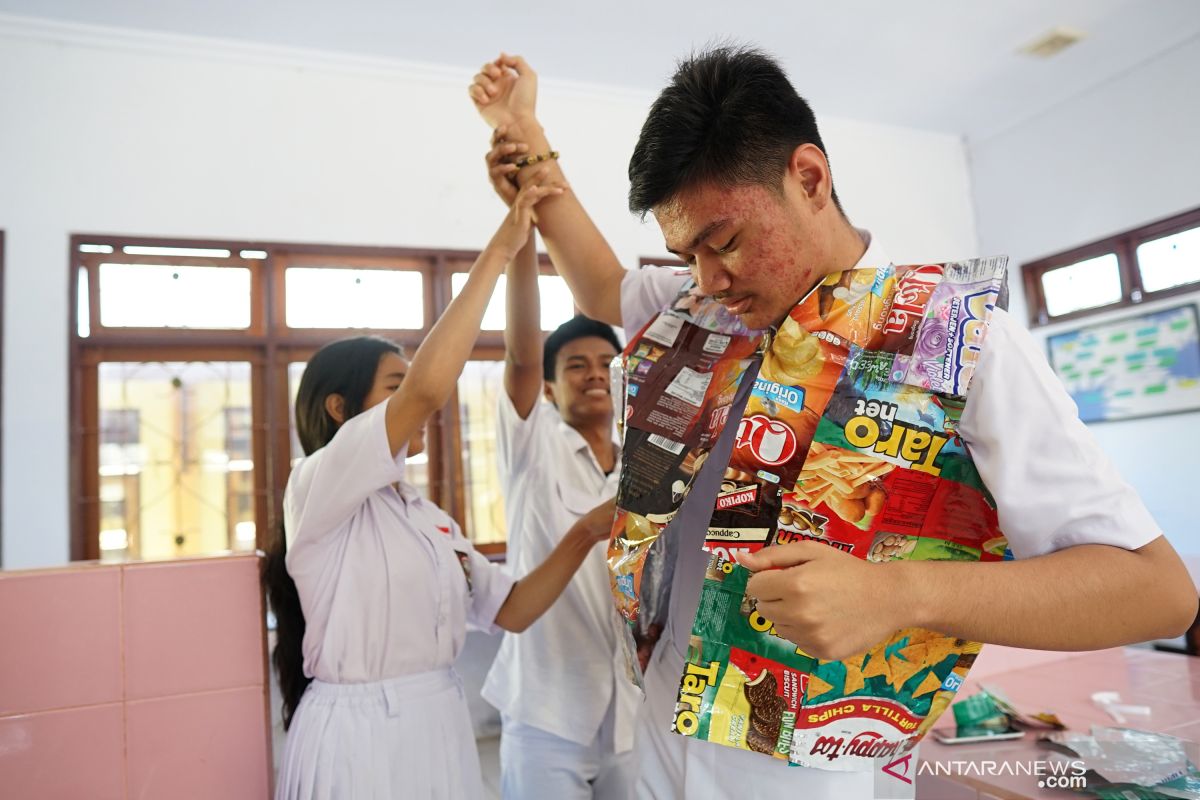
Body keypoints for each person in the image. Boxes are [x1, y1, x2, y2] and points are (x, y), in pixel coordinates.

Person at [469, 47, 1200, 798]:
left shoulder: (953, 338)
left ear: (809, 178)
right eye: (685, 255)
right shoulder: (701, 307)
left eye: (724, 243)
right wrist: (523, 133)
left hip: (813, 767)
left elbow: (1157, 591)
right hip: (658, 723)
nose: (706, 278)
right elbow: (597, 281)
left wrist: (900, 594)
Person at [261, 173, 617, 800]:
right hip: (358, 732)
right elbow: (437, 384)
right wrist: (502, 248)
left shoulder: (427, 520)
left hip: (437, 719)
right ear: (340, 409)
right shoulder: (317, 483)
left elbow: (511, 608)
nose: (420, 405)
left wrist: (590, 528)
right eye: (394, 389)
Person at [478, 215, 639, 798]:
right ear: (549, 387)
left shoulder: (642, 466)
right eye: (576, 366)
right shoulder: (534, 445)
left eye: (605, 365)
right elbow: (521, 355)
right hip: (548, 712)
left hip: (628, 707)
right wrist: (522, 242)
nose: (595, 375)